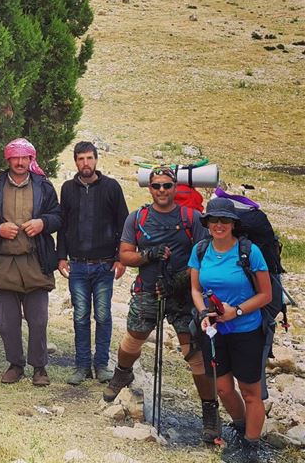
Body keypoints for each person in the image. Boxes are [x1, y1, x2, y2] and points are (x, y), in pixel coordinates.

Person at [102, 168, 219, 443]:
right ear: (150, 188)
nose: (162, 190)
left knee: (194, 353)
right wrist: (147, 256)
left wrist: (178, 281)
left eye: (167, 185)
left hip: (184, 293)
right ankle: (122, 374)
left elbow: (205, 255)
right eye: (157, 186)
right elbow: (125, 254)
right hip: (148, 289)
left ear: (175, 187)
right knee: (135, 336)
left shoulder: (191, 218)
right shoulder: (138, 218)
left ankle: (210, 411)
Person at [190, 198, 271, 452]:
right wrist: (204, 311)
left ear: (234, 223)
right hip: (213, 331)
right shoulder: (201, 249)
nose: (219, 224)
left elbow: (265, 295)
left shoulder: (249, 252)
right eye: (214, 220)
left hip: (246, 330)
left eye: (225, 220)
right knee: (224, 389)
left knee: (250, 391)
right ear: (207, 223)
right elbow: (195, 288)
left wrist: (235, 311)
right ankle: (241, 428)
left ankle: (251, 446)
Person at [0, 138, 62, 386]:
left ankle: (39, 367)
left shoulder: (44, 187)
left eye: (23, 157)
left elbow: (58, 217)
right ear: (8, 160)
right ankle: (15, 365)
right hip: (4, 262)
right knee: (7, 322)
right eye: (14, 158)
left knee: (38, 319)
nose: (19, 162)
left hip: (35, 261)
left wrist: (43, 223)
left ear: (30, 159)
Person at [57, 141, 128, 385]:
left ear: (96, 159)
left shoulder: (111, 187)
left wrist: (121, 258)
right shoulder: (67, 189)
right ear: (75, 161)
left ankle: (101, 366)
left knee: (104, 315)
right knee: (80, 316)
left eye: (89, 158)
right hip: (76, 265)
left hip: (104, 265)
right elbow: (63, 225)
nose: (85, 163)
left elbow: (124, 224)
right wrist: (61, 257)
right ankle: (82, 366)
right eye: (80, 159)